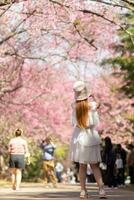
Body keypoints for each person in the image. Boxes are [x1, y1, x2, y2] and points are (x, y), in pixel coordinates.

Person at [70, 80, 106, 199]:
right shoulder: (91, 105)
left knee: (82, 166)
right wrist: (92, 96)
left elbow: (73, 122)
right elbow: (98, 104)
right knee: (95, 166)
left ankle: (83, 191)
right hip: (90, 136)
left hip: (79, 136)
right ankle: (101, 190)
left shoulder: (74, 105)